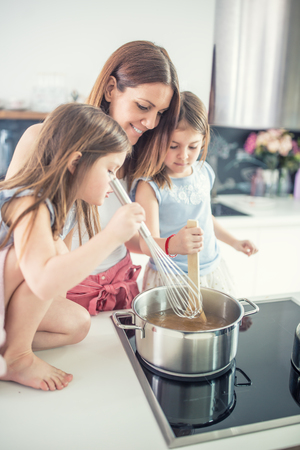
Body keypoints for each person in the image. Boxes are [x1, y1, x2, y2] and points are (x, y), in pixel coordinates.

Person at [6, 40, 180, 315]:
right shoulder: (41, 140)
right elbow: (18, 244)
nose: (151, 123)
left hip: (120, 286)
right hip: (62, 289)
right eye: (143, 106)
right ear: (111, 89)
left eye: (160, 113)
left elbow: (136, 236)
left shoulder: (140, 153)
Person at [0, 103, 145, 391]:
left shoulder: (60, 207)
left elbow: (55, 289)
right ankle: (17, 357)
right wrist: (112, 236)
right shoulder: (29, 202)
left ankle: (8, 349)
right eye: (110, 169)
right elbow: (43, 282)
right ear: (76, 162)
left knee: (77, 324)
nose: (113, 182)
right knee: (54, 256)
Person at [130, 91, 258, 295]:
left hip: (211, 270)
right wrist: (174, 244)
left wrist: (234, 241)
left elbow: (205, 219)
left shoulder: (204, 171)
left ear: (203, 140)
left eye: (193, 146)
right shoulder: (150, 186)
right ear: (157, 140)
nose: (184, 155)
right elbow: (147, 244)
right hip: (171, 278)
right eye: (173, 146)